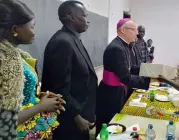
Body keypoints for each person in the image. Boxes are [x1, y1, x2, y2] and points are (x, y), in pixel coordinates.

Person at [0, 0, 65, 139]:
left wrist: (37, 97)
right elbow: (3, 122)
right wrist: (40, 106)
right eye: (32, 27)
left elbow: (17, 94)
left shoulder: (17, 55)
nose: (34, 32)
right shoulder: (5, 60)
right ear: (15, 29)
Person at [41, 1, 97, 140]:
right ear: (72, 17)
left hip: (80, 112)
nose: (87, 20)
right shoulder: (62, 42)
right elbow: (59, 87)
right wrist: (76, 116)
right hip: (69, 120)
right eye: (84, 16)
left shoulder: (73, 38)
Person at [96, 18, 150, 136]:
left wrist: (149, 70)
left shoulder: (124, 45)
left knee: (116, 122)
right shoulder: (117, 48)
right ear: (123, 30)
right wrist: (149, 81)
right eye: (134, 30)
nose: (137, 33)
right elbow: (125, 76)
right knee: (110, 124)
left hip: (117, 90)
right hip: (111, 93)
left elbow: (130, 67)